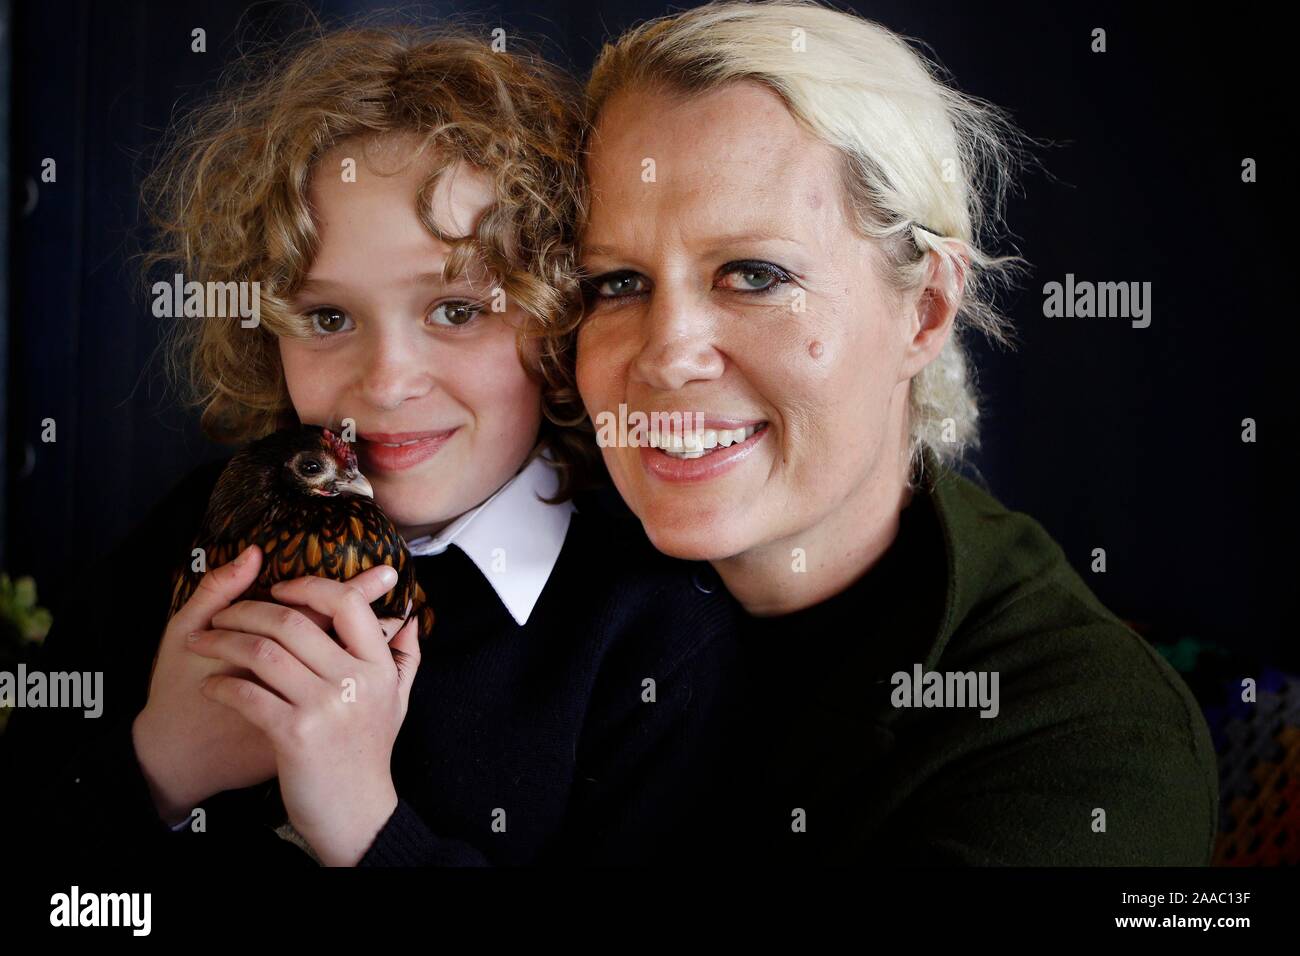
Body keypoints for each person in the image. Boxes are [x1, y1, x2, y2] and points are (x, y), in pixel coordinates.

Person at [0, 24, 739, 867]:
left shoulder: (655, 633)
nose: (386, 381)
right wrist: (160, 769)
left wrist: (366, 828)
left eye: (457, 311)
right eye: (327, 318)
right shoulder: (192, 539)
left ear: (559, 311)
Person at [572, 0, 1219, 864]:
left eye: (753, 274)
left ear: (926, 308)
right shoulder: (499, 584)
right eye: (617, 282)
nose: (665, 354)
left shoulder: (1082, 740)